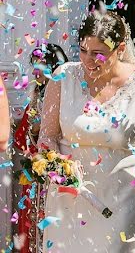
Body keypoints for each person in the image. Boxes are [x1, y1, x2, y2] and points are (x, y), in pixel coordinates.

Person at [38, 10, 135, 252]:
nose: (88, 60)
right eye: (83, 50)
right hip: (68, 200)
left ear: (119, 49)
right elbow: (47, 137)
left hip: (123, 203)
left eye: (98, 54)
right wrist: (58, 164)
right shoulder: (63, 76)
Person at [14, 44, 68, 252]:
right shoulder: (37, 97)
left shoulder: (64, 97)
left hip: (57, 171)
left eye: (40, 65)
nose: (36, 71)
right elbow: (22, 141)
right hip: (38, 173)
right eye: (34, 65)